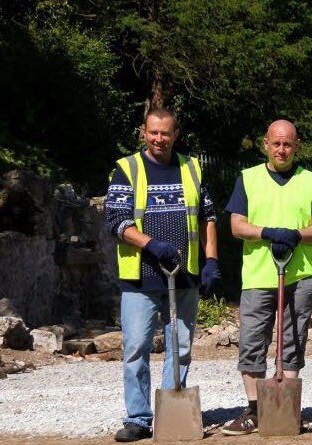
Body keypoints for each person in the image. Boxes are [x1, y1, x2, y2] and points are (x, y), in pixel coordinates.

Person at [103, 107, 221, 442]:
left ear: (175, 134)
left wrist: (211, 260)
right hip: (140, 277)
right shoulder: (127, 169)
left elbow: (208, 216)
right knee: (137, 347)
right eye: (153, 132)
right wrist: (150, 244)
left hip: (184, 276)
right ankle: (138, 418)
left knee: (180, 346)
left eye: (165, 133)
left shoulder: (192, 167)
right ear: (144, 132)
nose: (159, 139)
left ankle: (170, 410)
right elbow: (116, 221)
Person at [219, 120, 312, 435]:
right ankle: (256, 409)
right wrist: (268, 232)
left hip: (299, 275)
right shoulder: (248, 178)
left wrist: (296, 234)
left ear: (297, 146)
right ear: (266, 144)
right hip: (258, 276)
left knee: (293, 340)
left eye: (288, 144)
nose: (282, 150)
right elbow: (237, 225)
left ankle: (286, 408)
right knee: (252, 340)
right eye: (276, 144)